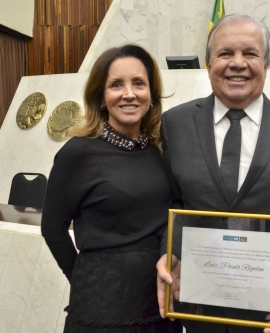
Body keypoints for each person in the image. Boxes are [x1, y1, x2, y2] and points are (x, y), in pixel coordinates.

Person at [156, 14, 270, 333]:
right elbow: (170, 206)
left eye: (251, 54)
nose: (237, 63)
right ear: (208, 63)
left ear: (266, 65)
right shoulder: (175, 124)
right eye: (226, 53)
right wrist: (168, 253)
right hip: (199, 313)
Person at [41, 44, 181, 333]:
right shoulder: (78, 153)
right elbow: (52, 228)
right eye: (116, 84)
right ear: (101, 97)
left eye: (138, 84)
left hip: (159, 304)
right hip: (104, 308)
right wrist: (84, 278)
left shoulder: (158, 150)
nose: (129, 94)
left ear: (151, 95)